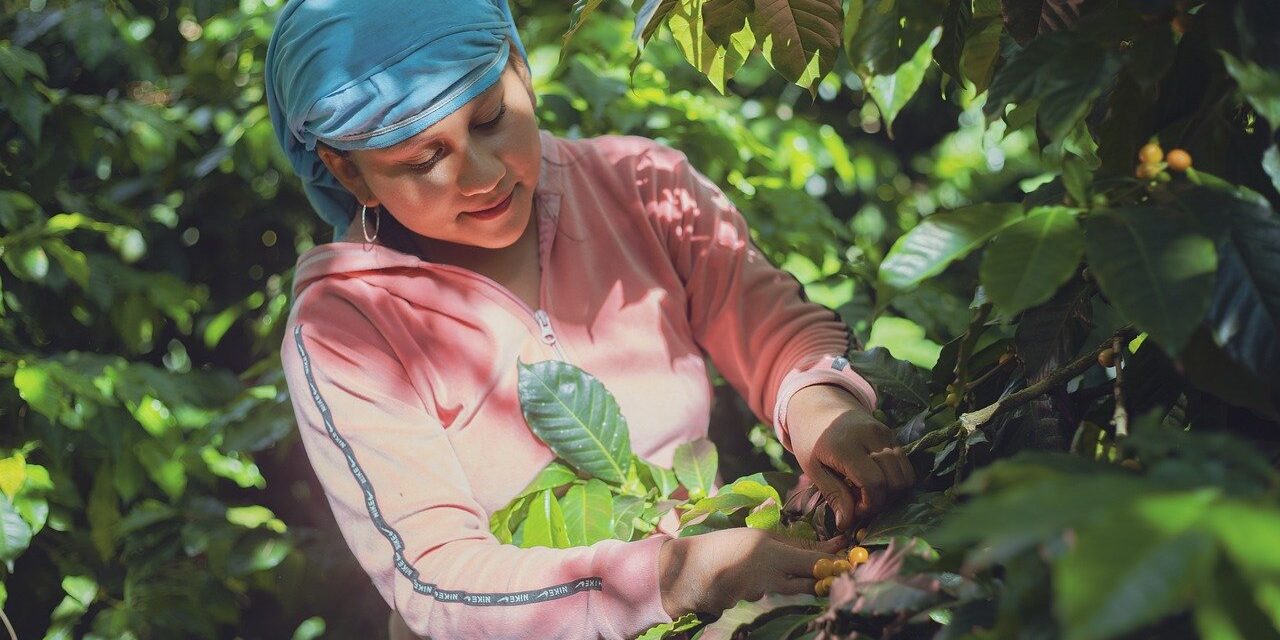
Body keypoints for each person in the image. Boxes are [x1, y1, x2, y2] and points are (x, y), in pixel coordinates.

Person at [264, 1, 915, 638]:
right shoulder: (345, 328)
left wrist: (822, 407)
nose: (481, 175)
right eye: (423, 160)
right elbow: (435, 577)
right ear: (349, 173)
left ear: (520, 66)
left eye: (490, 120)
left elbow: (770, 324)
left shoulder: (641, 187)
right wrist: (670, 579)